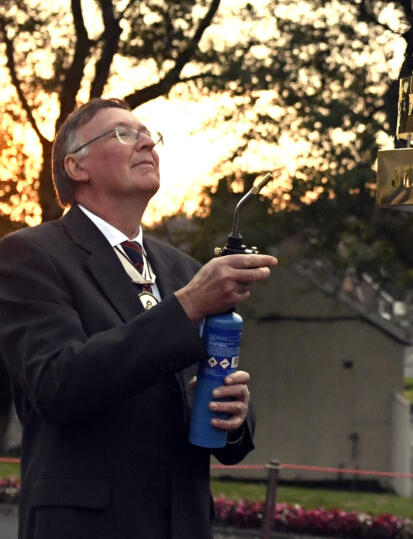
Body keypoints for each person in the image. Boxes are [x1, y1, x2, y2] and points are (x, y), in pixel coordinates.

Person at [0, 97, 278, 539]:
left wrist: (234, 417)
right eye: (123, 133)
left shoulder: (184, 269)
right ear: (76, 167)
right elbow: (58, 384)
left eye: (150, 135)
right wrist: (185, 307)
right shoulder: (28, 256)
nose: (147, 141)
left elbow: (196, 396)